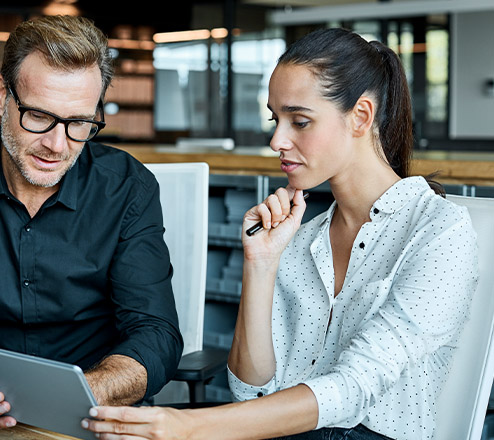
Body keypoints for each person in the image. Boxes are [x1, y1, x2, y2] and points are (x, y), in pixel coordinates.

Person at [84, 28, 479, 440]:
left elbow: (353, 387)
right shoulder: (302, 239)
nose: (277, 140)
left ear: (361, 116)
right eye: (276, 119)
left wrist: (187, 425)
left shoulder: (439, 233)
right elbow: (249, 390)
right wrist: (261, 264)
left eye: (300, 121)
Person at [0, 15, 182, 430]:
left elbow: (155, 333)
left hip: (92, 413)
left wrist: (87, 391)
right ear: (1, 95)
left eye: (79, 123)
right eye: (38, 116)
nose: (56, 144)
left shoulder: (128, 188)